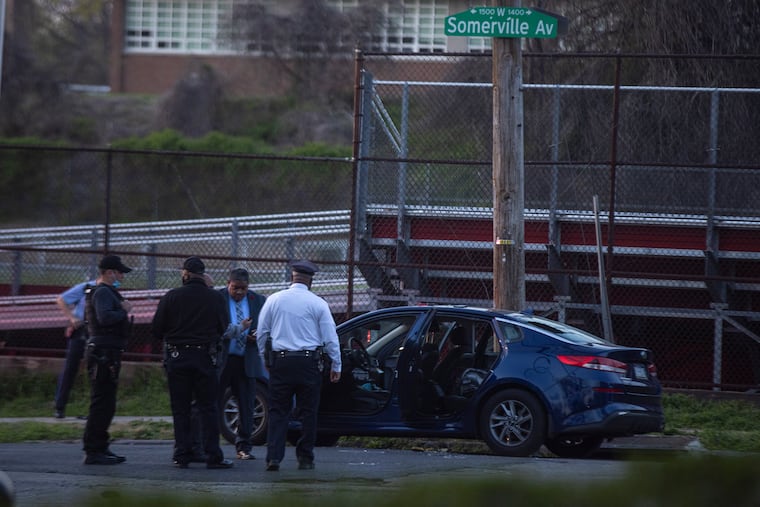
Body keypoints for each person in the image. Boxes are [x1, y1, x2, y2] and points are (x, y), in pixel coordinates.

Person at [257, 260, 342, 471]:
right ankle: (305, 457)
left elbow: (262, 333)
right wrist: (336, 365)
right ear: (310, 280)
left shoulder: (274, 300)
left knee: (278, 410)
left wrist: (265, 359)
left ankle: (274, 457)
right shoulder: (318, 303)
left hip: (281, 361)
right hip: (308, 363)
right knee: (308, 412)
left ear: (292, 277)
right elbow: (330, 337)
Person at [151, 256, 233, 470]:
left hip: (177, 358)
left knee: (181, 409)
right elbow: (223, 327)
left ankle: (182, 454)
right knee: (208, 408)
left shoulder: (172, 297)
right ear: (202, 274)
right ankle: (213, 455)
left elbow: (157, 330)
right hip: (205, 357)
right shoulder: (215, 298)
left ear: (186, 274)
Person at [82, 255, 134, 465]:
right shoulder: (103, 292)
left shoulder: (104, 291)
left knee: (107, 403)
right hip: (103, 354)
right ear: (109, 272)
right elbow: (104, 318)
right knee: (102, 403)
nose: (121, 276)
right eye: (119, 272)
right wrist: (123, 310)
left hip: (107, 352)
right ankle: (93, 449)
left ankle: (100, 445)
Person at [217, 268, 266, 460]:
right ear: (228, 283)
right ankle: (209, 444)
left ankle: (244, 446)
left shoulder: (257, 300)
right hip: (223, 359)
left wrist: (258, 335)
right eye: (235, 288)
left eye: (243, 289)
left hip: (246, 358)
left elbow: (265, 325)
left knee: (246, 403)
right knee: (213, 401)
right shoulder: (218, 299)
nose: (239, 292)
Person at [53, 277, 97, 419]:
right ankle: (60, 406)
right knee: (70, 368)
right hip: (81, 330)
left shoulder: (111, 290)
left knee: (96, 369)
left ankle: (94, 408)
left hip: (96, 331)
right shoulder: (86, 287)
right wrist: (72, 318)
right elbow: (62, 300)